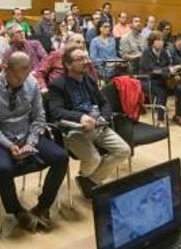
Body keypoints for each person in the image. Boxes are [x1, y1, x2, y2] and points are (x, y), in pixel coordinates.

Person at [0, 52, 68, 232]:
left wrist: (31, 142)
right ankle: (17, 211)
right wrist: (9, 145)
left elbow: (39, 117)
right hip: (2, 138)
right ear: (5, 69)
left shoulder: (31, 82)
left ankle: (42, 206)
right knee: (2, 169)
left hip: (27, 135)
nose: (22, 81)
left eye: (25, 75)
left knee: (61, 157)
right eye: (17, 76)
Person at [48, 46, 130, 199]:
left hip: (98, 126)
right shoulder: (57, 85)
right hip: (75, 130)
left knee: (124, 151)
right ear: (68, 64)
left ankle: (89, 180)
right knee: (94, 159)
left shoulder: (89, 80)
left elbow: (104, 103)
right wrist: (80, 117)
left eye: (86, 58)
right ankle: (90, 181)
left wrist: (103, 118)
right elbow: (56, 111)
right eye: (80, 60)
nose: (86, 62)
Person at [140, 31, 181, 126]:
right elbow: (152, 70)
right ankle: (160, 120)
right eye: (158, 40)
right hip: (148, 80)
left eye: (162, 40)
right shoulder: (146, 53)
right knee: (162, 91)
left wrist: (174, 71)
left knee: (180, 88)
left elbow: (169, 65)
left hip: (163, 79)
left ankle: (177, 116)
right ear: (152, 41)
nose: (161, 42)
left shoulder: (164, 52)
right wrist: (168, 70)